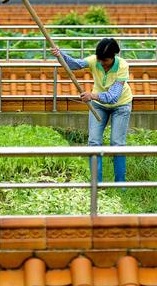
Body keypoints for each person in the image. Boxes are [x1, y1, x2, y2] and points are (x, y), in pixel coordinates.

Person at [50, 38, 133, 182]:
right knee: (94, 142)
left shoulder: (122, 66)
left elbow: (113, 97)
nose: (101, 63)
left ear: (114, 56)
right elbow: (74, 64)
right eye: (99, 60)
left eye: (105, 61)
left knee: (117, 144)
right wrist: (60, 54)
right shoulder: (95, 60)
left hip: (121, 105)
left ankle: (120, 185)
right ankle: (96, 184)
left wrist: (92, 95)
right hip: (98, 105)